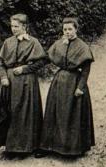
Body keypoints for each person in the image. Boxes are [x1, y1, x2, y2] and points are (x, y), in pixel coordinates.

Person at [40, 17, 95, 157]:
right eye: (65, 29)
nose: (67, 32)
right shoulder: (59, 44)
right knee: (55, 112)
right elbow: (47, 57)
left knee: (72, 115)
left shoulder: (82, 47)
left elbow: (86, 70)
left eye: (70, 29)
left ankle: (73, 148)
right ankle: (50, 147)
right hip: (59, 82)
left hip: (74, 82)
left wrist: (80, 88)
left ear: (76, 29)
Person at [0, 13, 47, 157]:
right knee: (9, 112)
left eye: (16, 26)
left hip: (26, 82)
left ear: (24, 27)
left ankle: (27, 147)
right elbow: (1, 63)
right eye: (12, 26)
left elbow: (41, 61)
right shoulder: (8, 42)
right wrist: (4, 77)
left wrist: (24, 69)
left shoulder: (33, 42)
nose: (13, 29)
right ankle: (10, 147)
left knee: (26, 113)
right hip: (9, 83)